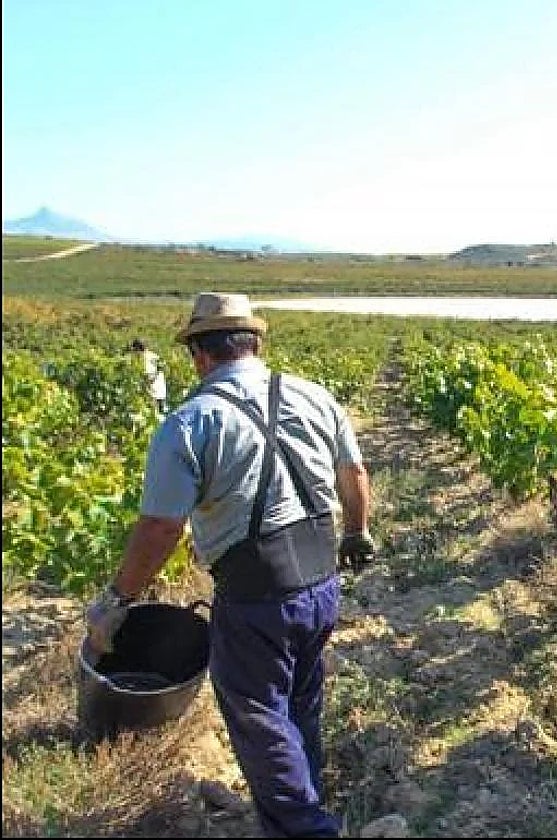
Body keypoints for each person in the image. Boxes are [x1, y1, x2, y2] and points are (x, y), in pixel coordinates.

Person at [86, 292, 378, 838]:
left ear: (199, 355)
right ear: (256, 345)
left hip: (257, 594)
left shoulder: (190, 423)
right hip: (321, 583)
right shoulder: (315, 396)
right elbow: (354, 474)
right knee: (300, 701)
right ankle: (302, 802)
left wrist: (118, 598)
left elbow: (161, 528)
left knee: (258, 714)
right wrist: (357, 533)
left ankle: (306, 827)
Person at [128, 337, 169, 416]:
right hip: (160, 391)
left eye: (134, 350)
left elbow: (149, 376)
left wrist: (143, 387)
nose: (134, 353)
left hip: (153, 393)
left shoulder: (145, 358)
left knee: (154, 416)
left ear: (137, 349)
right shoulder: (153, 355)